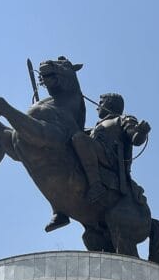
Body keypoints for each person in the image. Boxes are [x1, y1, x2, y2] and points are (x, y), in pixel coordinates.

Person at [45, 93, 151, 232]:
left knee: (78, 138)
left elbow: (135, 138)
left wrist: (141, 132)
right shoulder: (95, 128)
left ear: (110, 104)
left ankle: (95, 185)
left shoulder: (122, 119)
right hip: (95, 159)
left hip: (110, 161)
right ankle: (60, 209)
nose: (97, 107)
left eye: (101, 103)